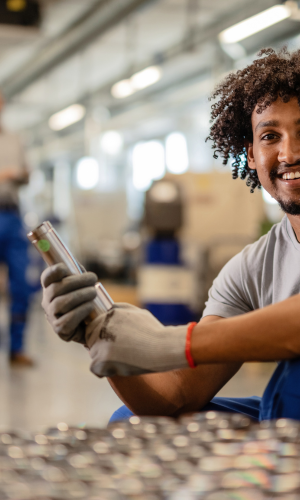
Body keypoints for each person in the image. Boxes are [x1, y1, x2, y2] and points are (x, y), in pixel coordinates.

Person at [42, 47, 300, 421]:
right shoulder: (253, 267)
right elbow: (178, 395)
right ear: (251, 155)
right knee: (132, 422)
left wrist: (167, 343)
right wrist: (100, 333)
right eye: (270, 136)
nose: (289, 153)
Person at [0, 93, 33, 366]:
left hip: (11, 215)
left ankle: (17, 348)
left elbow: (26, 173)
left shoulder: (14, 139)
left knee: (21, 285)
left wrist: (19, 174)